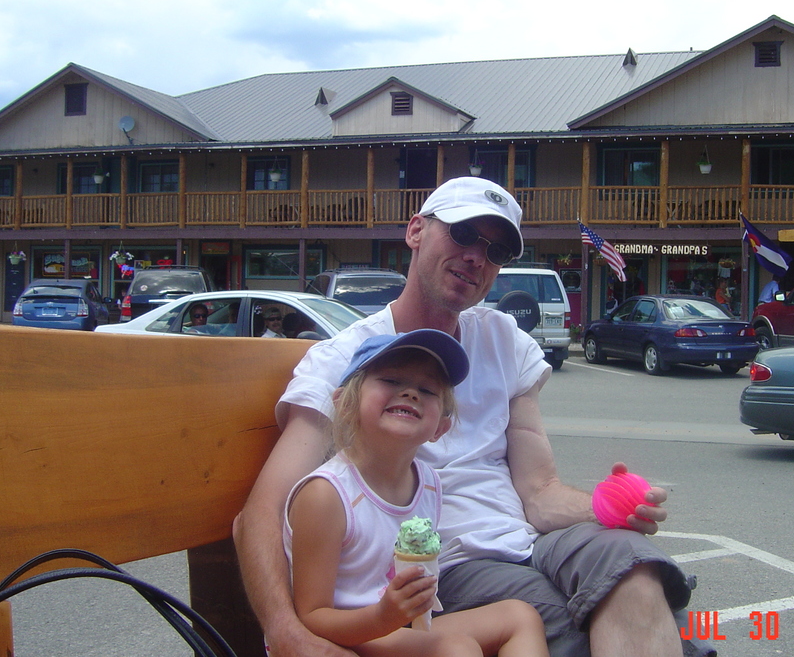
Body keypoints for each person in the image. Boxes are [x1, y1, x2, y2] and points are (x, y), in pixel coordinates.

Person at [233, 176, 709, 657]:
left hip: (531, 541)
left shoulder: (505, 340)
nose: (477, 257)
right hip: (449, 564)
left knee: (635, 567)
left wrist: (607, 508)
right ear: (416, 231)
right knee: (567, 621)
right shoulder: (344, 359)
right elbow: (262, 513)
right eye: (463, 234)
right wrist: (287, 634)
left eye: (496, 250)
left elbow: (538, 491)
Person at [285, 329, 549, 657]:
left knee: (520, 616)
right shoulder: (327, 495)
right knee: (455, 649)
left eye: (427, 389)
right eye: (391, 380)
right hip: (342, 636)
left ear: (440, 428)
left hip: (396, 626)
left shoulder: (428, 483)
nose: (410, 393)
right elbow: (311, 617)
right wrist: (382, 617)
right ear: (346, 403)